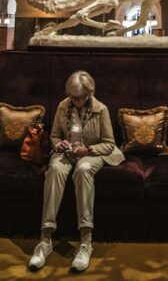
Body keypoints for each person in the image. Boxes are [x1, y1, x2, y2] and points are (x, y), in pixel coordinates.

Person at [28, 71, 124, 273]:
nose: (76, 101)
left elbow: (109, 144)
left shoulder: (101, 109)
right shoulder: (63, 106)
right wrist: (59, 144)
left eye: (79, 97)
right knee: (54, 169)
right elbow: (54, 136)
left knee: (83, 169)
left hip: (91, 154)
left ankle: (86, 243)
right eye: (73, 97)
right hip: (67, 153)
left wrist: (88, 150)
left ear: (89, 94)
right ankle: (45, 240)